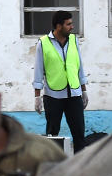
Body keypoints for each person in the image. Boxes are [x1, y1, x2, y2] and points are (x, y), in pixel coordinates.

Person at [32, 10, 88, 150]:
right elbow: (39, 71)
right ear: (58, 26)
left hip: (74, 95)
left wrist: (84, 90)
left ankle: (80, 167)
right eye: (68, 24)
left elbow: (79, 65)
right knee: (52, 134)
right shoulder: (43, 43)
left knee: (79, 134)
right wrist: (37, 97)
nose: (72, 27)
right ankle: (51, 166)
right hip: (53, 96)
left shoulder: (74, 40)